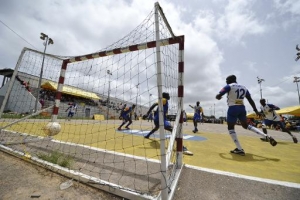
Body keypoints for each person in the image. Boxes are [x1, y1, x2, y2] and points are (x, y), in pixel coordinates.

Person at [215, 75, 277, 156]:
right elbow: (250, 99)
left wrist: (218, 97)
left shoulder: (228, 86)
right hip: (242, 108)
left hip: (233, 108)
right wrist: (256, 110)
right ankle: (266, 136)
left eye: (227, 80)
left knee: (230, 128)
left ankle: (239, 148)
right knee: (245, 125)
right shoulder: (244, 87)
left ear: (230, 80)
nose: (226, 81)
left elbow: (218, 95)